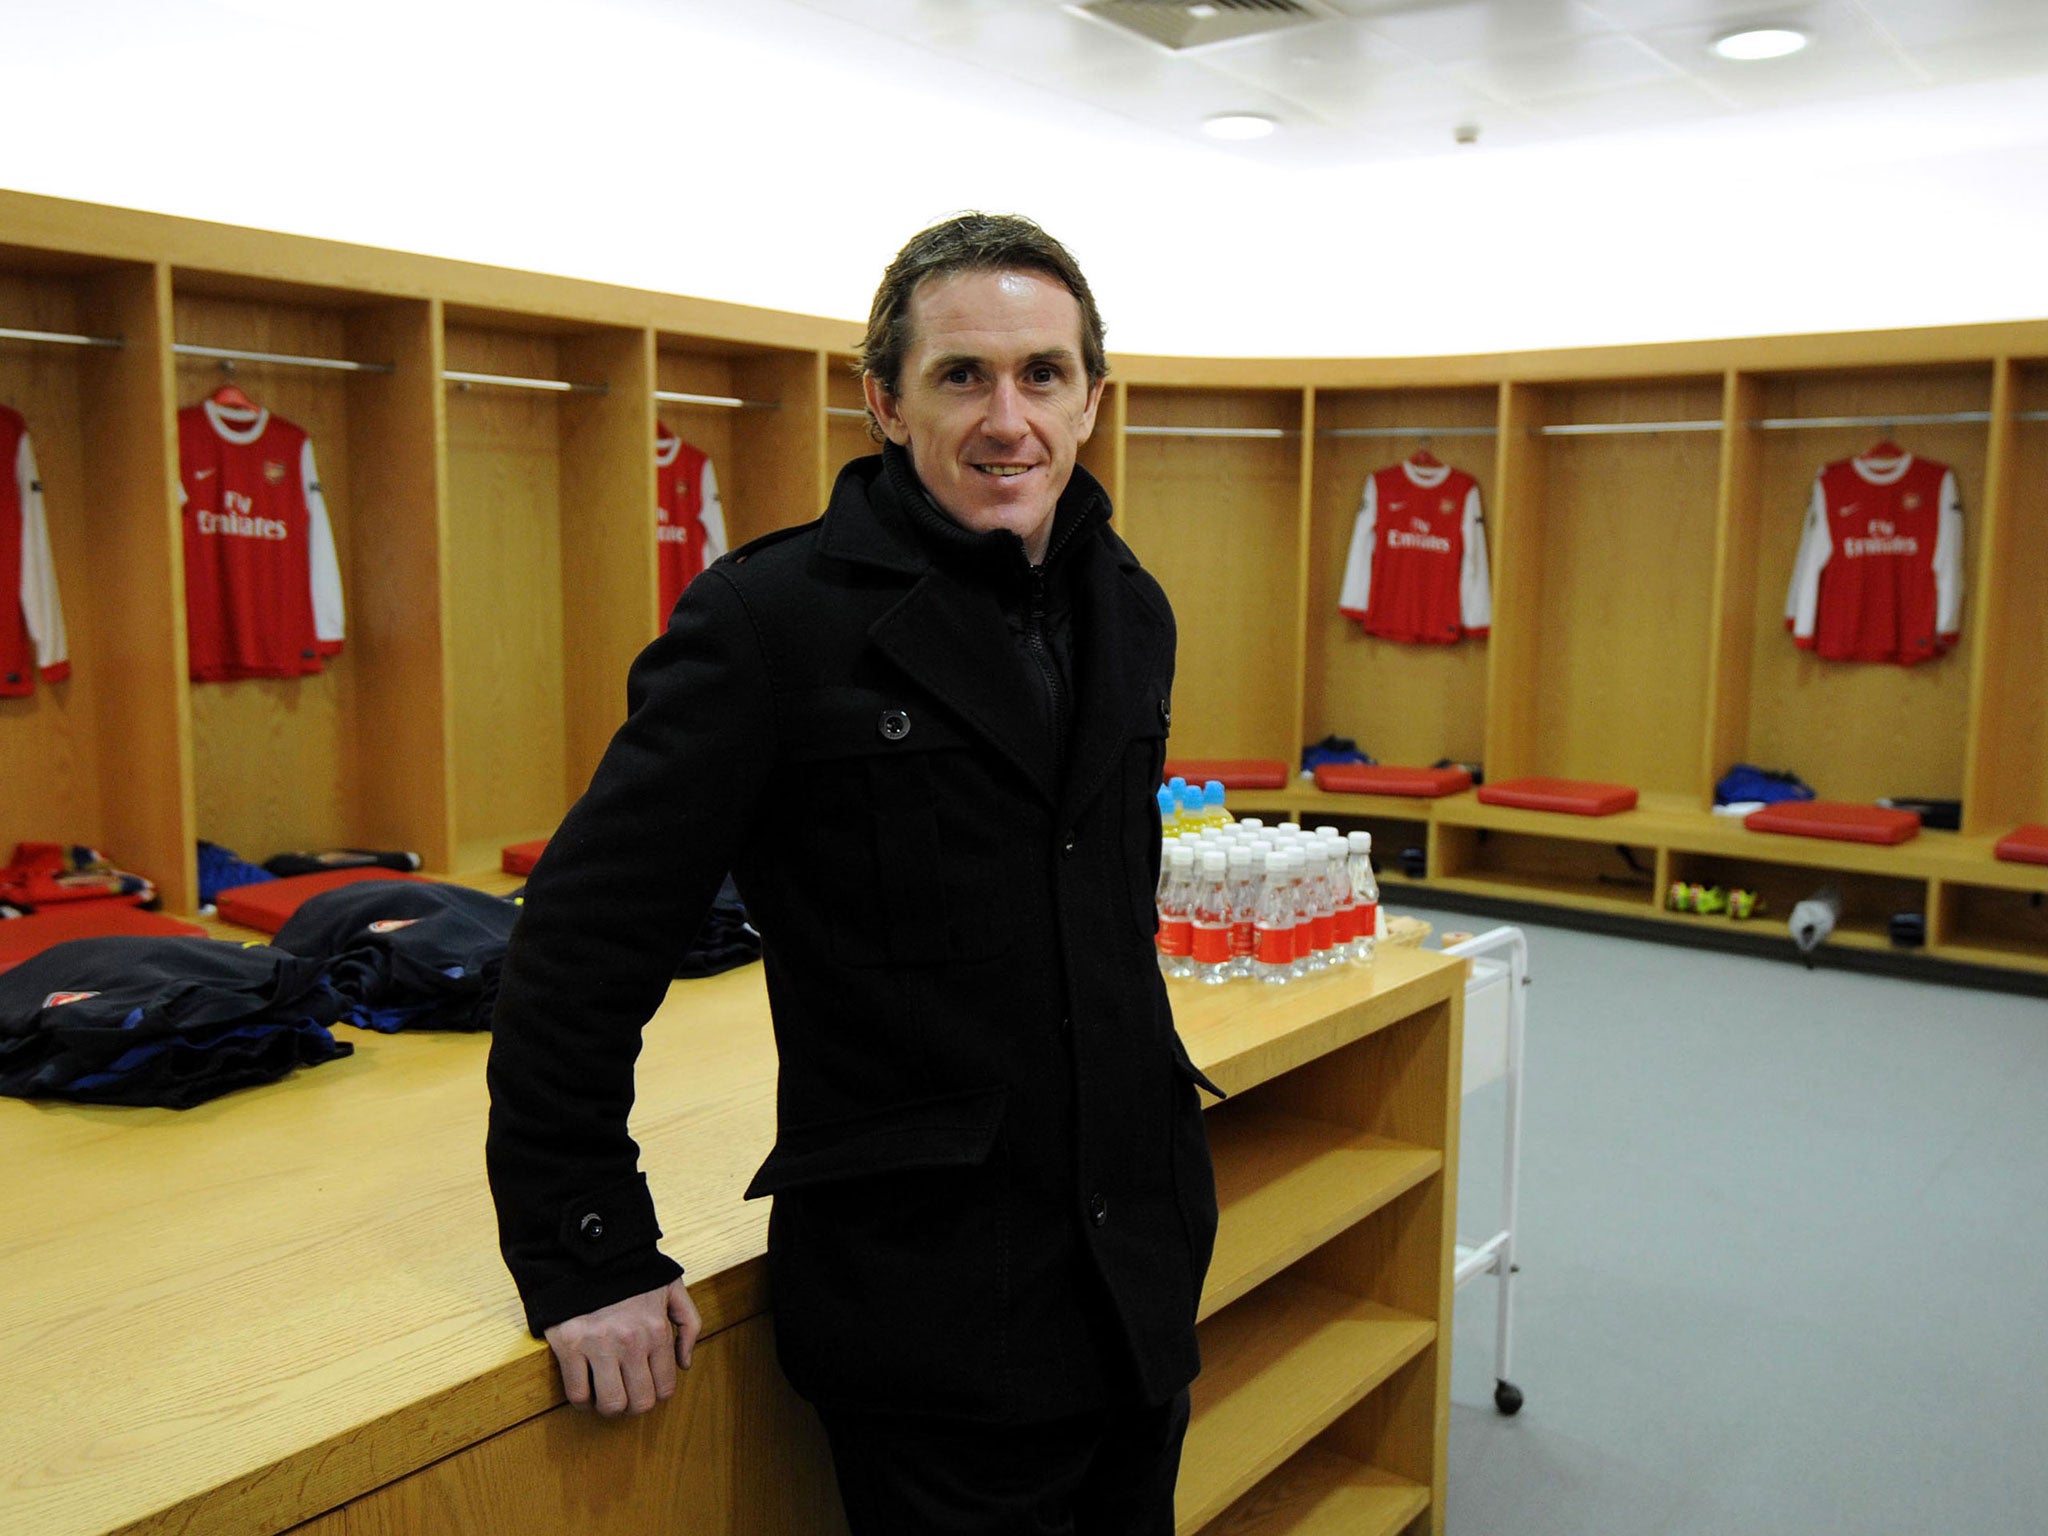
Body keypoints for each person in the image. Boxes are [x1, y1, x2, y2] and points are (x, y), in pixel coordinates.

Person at [485, 212, 1220, 1534]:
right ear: (881, 399)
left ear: (1093, 399)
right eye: (962, 376)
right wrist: (582, 1241)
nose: (1010, 418)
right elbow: (580, 943)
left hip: (1139, 1272)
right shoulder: (770, 623)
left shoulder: (1131, 603)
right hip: (934, 1306)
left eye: (1044, 375)